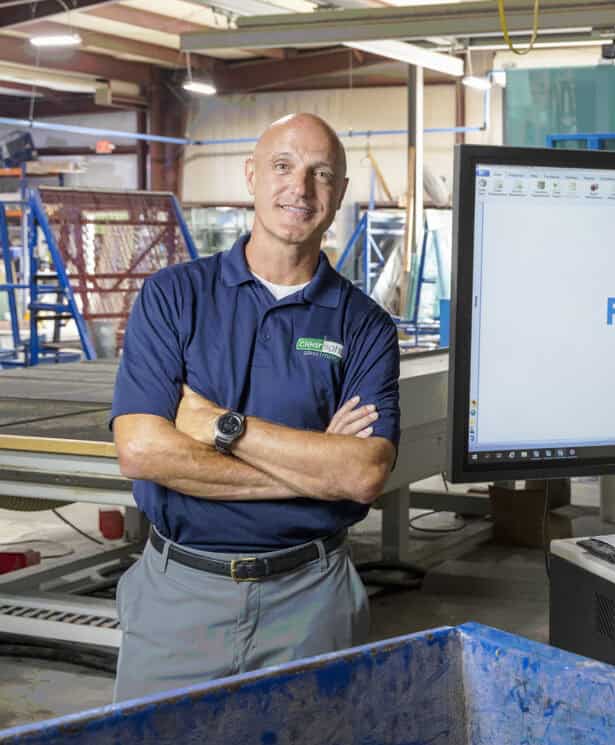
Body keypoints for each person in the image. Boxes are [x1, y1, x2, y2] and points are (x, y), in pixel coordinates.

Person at [110, 113, 400, 702]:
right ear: (251, 175)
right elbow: (141, 451)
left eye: (322, 174)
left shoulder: (364, 324)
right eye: (283, 166)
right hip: (179, 597)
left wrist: (219, 426)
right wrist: (316, 469)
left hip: (313, 601)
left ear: (339, 194)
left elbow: (363, 473)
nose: (300, 188)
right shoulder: (173, 296)